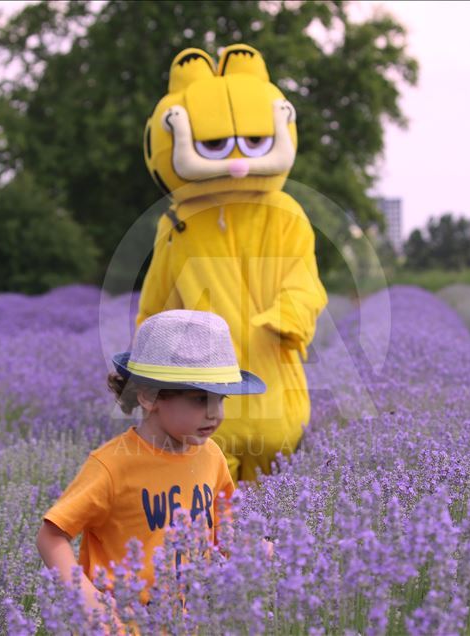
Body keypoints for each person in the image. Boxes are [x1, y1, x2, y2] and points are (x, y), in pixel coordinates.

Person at [138, 43, 329, 483]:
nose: (238, 160)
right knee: (204, 496)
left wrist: (289, 316)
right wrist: (146, 369)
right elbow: (157, 303)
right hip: (198, 392)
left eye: (253, 142)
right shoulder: (178, 223)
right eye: (216, 144)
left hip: (271, 383)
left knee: (274, 496)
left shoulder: (285, 214)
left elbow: (304, 281)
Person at [36, 309, 266, 622]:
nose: (216, 414)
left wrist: (255, 548)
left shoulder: (212, 456)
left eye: (221, 399)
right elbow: (50, 536)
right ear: (148, 397)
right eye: (200, 399)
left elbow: (225, 527)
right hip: (122, 623)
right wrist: (86, 598)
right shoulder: (113, 465)